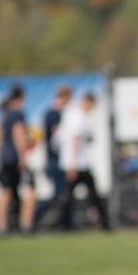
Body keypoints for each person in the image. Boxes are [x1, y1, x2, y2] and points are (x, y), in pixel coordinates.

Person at [57, 93, 111, 231]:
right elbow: (76, 139)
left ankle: (64, 223)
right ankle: (63, 223)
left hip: (76, 163)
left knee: (77, 195)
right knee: (81, 195)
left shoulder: (72, 114)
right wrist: (74, 164)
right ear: (87, 102)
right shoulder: (78, 116)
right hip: (78, 164)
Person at [0, 86, 36, 234]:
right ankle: (26, 225)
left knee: (5, 192)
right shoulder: (18, 114)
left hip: (5, 159)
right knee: (30, 190)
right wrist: (22, 157)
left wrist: (0, 155)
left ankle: (0, 226)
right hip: (16, 159)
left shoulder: (5, 115)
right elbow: (18, 133)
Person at [40, 85, 73, 228]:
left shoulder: (56, 113)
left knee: (63, 193)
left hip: (59, 161)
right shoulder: (54, 114)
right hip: (55, 161)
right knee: (58, 195)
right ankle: (35, 218)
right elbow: (57, 138)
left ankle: (65, 223)